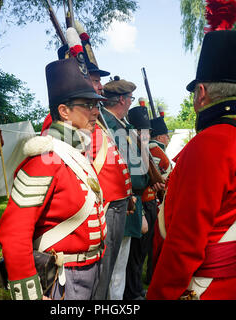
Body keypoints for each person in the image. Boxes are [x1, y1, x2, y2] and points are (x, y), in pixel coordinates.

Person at [147, 29, 236, 300]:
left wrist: (159, 294)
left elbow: (184, 242)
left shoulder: (209, 143)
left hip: (203, 286)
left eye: (194, 95)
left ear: (201, 93)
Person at [0, 57, 108, 300]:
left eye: (96, 105)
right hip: (63, 279)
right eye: (87, 105)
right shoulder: (44, 161)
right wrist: (30, 295)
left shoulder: (76, 154)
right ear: (64, 111)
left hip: (92, 271)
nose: (95, 111)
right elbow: (14, 234)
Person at [57, 26, 134, 300]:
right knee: (98, 283)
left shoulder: (94, 117)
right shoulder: (66, 123)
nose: (100, 85)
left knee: (106, 275)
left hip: (115, 206)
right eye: (93, 78)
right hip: (99, 212)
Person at [100, 77, 151, 300]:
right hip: (118, 203)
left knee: (119, 269)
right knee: (112, 271)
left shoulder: (121, 126)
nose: (131, 102)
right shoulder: (108, 127)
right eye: (129, 98)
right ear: (121, 99)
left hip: (130, 202)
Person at [123, 105, 153, 300]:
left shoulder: (141, 148)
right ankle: (132, 293)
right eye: (143, 131)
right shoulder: (132, 148)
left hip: (141, 203)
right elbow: (137, 181)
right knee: (131, 256)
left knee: (139, 254)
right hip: (132, 205)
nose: (147, 135)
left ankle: (134, 290)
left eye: (148, 132)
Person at [142, 113, 172, 286]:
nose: (168, 138)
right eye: (166, 135)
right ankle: (151, 276)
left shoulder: (151, 148)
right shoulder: (156, 149)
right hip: (155, 201)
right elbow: (165, 175)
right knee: (153, 243)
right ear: (160, 136)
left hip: (155, 200)